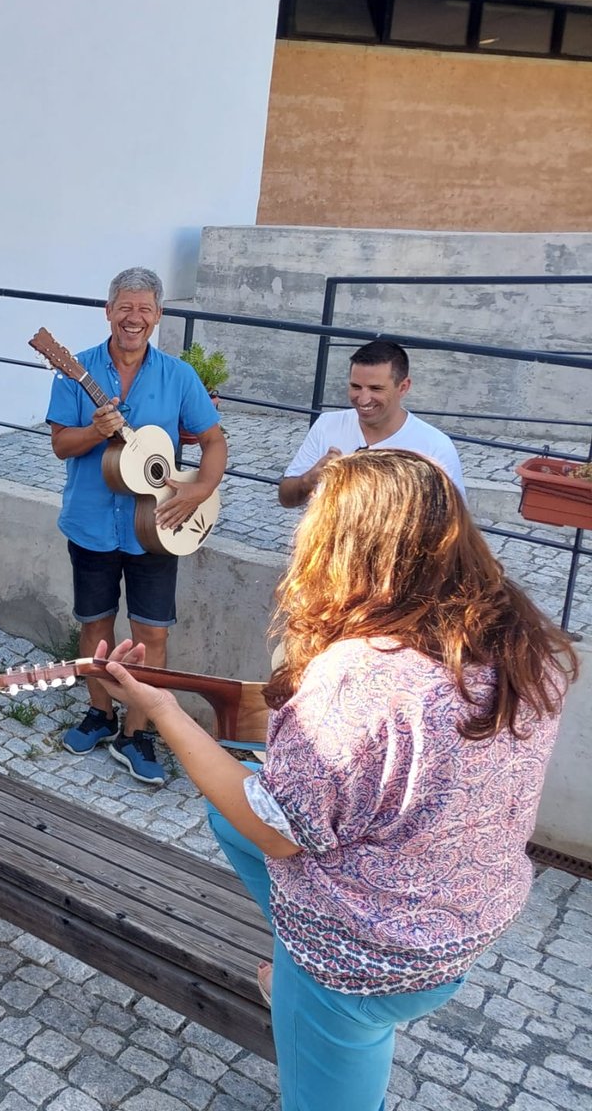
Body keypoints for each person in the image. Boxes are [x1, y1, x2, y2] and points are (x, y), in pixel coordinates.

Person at [91, 449, 572, 1110]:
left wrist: (163, 710)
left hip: (366, 955)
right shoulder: (520, 640)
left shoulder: (358, 675)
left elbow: (280, 833)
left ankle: (298, 971)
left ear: (346, 548)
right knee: (228, 812)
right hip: (474, 912)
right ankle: (286, 959)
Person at [47, 266, 227, 785]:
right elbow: (61, 444)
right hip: (91, 525)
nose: (134, 318)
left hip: (160, 524)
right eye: (125, 307)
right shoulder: (74, 369)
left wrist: (197, 490)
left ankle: (137, 732)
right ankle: (100, 714)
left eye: (145, 309)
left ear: (159, 316)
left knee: (151, 633)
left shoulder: (178, 376)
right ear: (108, 311)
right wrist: (93, 432)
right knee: (96, 625)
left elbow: (213, 441)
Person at [279, 339, 464, 507]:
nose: (363, 399)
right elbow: (286, 498)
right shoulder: (327, 424)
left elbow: (453, 525)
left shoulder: (436, 447)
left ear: (403, 387)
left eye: (376, 388)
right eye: (355, 387)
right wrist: (310, 479)